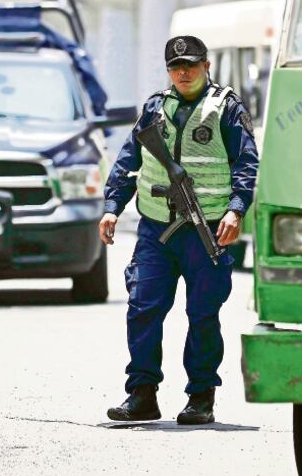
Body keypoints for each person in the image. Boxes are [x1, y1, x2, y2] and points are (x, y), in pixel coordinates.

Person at [101, 35, 259, 425]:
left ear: (207, 66)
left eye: (190, 65)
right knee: (142, 307)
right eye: (175, 67)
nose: (183, 72)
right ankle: (142, 393)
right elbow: (127, 159)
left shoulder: (226, 108)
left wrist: (236, 211)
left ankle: (201, 397)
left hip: (206, 231)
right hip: (157, 229)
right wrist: (111, 208)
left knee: (203, 315)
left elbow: (247, 164)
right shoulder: (155, 108)